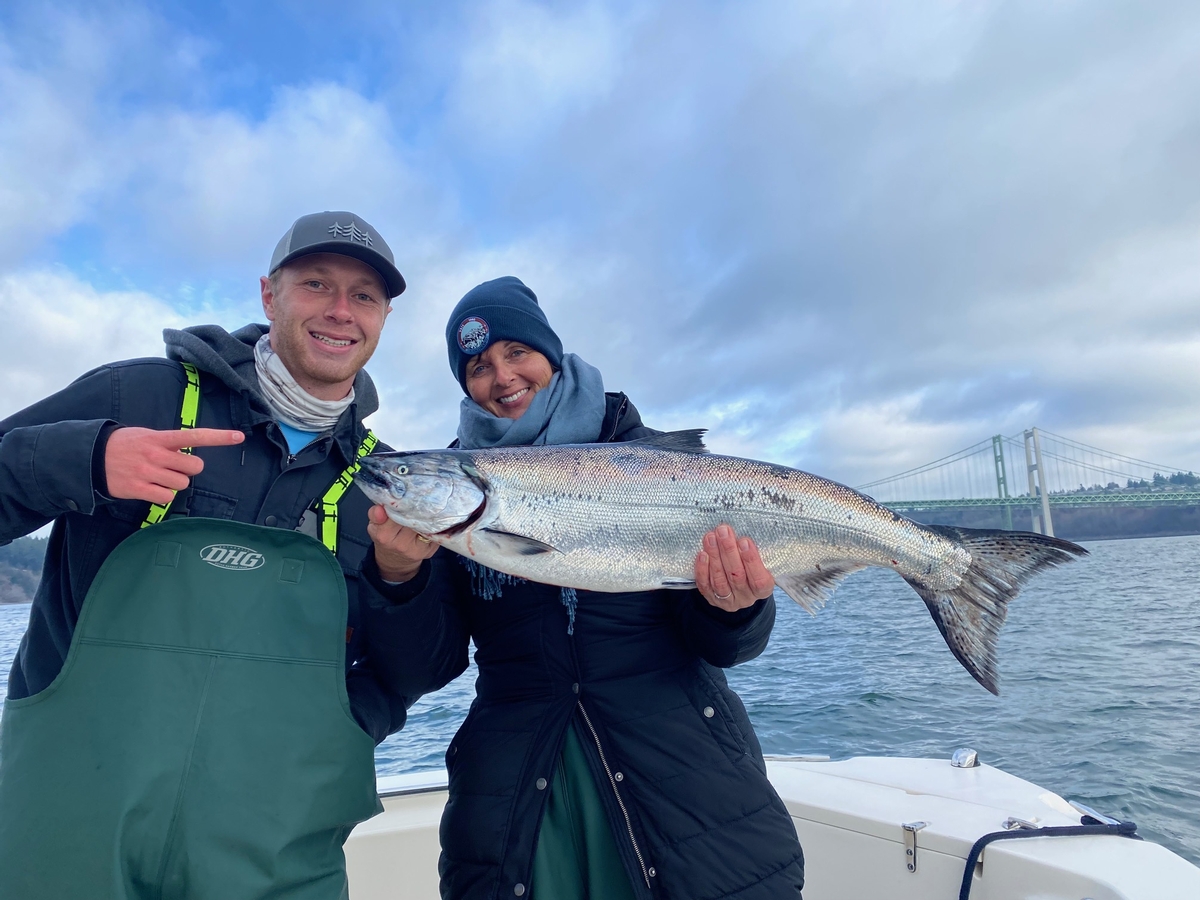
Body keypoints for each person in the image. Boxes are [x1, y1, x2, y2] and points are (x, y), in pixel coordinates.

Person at [0, 211, 441, 899]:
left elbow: (415, 671)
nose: (340, 310)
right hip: (68, 827)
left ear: (384, 318)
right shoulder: (137, 397)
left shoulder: (392, 484)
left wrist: (399, 585)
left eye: (364, 295)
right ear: (269, 295)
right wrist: (86, 458)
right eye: (316, 284)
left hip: (276, 846)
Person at [362, 276, 806, 899]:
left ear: (550, 354)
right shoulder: (450, 511)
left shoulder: (653, 461)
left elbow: (726, 647)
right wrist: (398, 577)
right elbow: (425, 668)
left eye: (517, 352)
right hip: (518, 790)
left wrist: (736, 608)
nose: (502, 376)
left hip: (683, 784)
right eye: (478, 367)